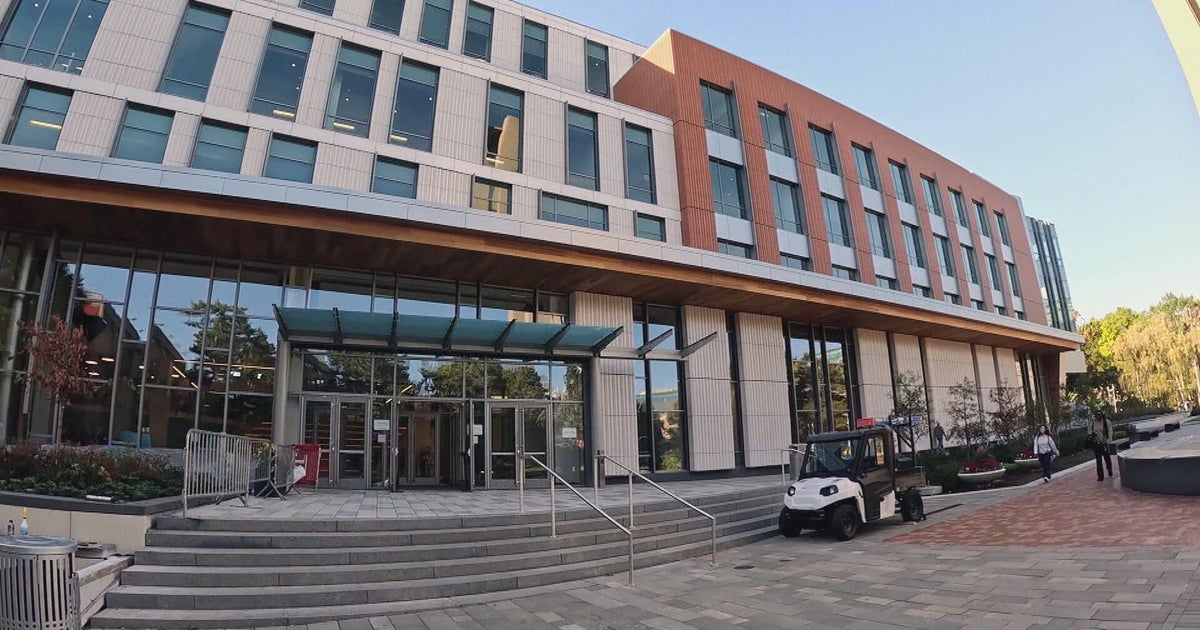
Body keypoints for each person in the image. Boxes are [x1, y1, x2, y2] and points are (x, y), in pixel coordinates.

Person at [1090, 410, 1114, 481]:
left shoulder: (1107, 422)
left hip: (1104, 443)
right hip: (1096, 444)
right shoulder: (1093, 423)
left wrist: (1109, 440)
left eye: (1100, 415)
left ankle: (1109, 470)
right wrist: (1092, 436)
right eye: (1097, 415)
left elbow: (1110, 431)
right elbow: (1089, 431)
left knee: (1107, 458)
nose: (1098, 416)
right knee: (1098, 460)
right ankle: (1100, 476)